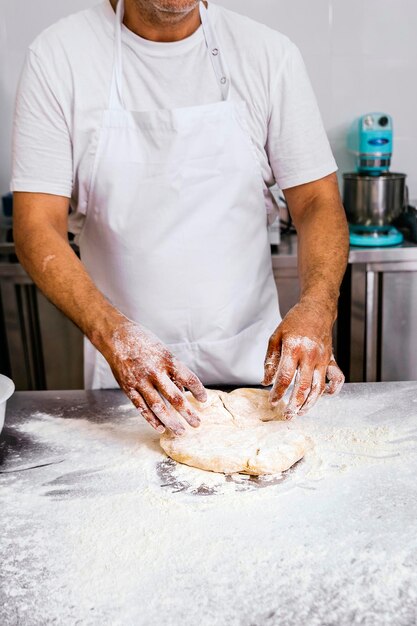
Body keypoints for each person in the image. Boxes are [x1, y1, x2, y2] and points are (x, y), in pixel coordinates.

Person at [11, 0, 349, 435]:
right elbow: (37, 225)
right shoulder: (59, 57)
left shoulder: (268, 54)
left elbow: (317, 200)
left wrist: (317, 309)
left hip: (259, 374)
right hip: (130, 384)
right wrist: (115, 338)